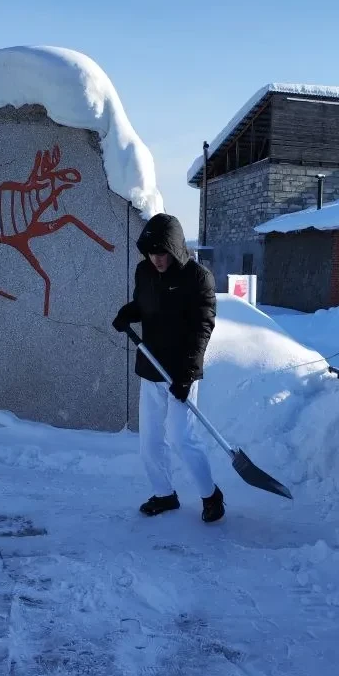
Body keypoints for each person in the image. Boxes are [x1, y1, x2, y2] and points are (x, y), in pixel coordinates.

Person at [112, 213, 225, 524]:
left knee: (180, 438)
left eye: (162, 253)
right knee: (149, 442)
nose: (156, 259)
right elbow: (144, 306)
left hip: (180, 373)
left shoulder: (198, 278)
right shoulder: (144, 271)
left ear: (174, 248)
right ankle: (164, 494)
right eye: (151, 253)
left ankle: (211, 495)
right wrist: (128, 313)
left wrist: (188, 374)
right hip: (151, 367)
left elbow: (203, 328)